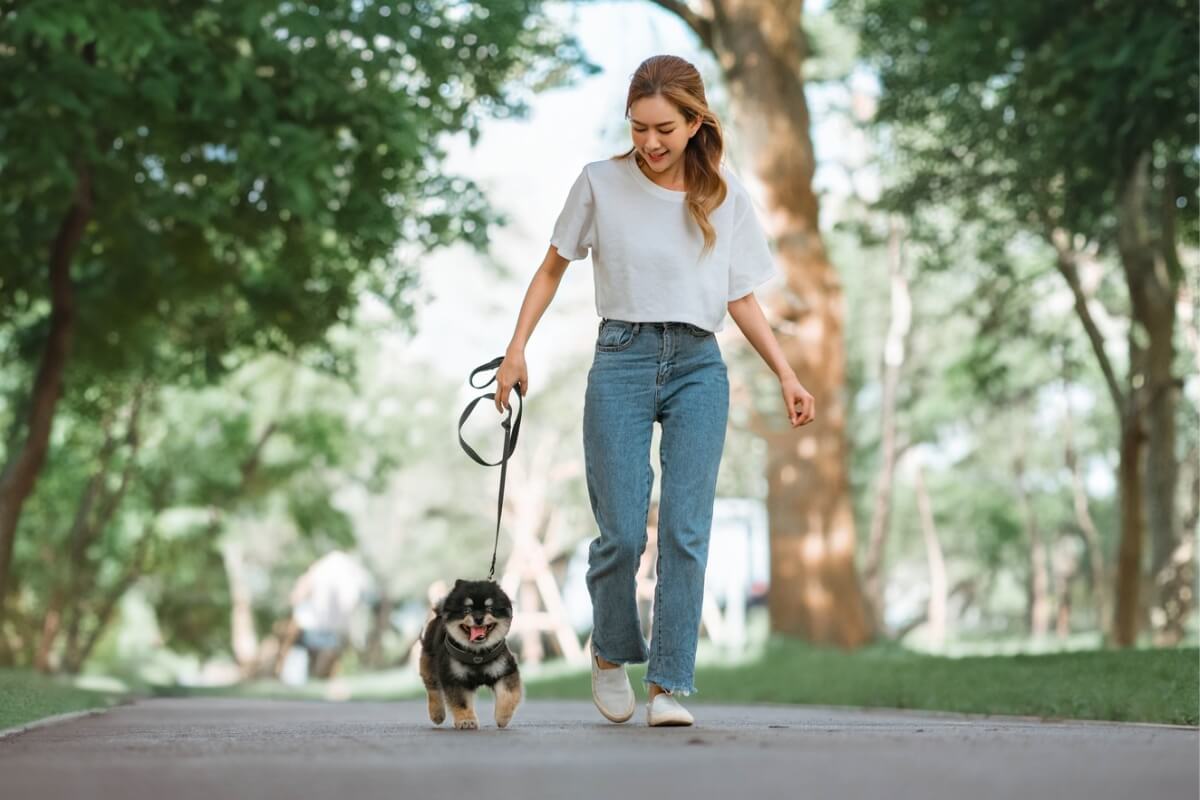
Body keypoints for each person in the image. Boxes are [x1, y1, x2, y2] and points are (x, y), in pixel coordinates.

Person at [494, 55, 815, 727]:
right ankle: (611, 652)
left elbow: (743, 299)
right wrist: (516, 350)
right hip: (621, 359)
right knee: (619, 531)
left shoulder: (725, 196)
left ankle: (669, 683)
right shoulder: (600, 183)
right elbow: (552, 269)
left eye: (665, 127)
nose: (650, 143)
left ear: (696, 122)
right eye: (638, 128)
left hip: (700, 365)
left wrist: (786, 373)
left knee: (687, 531)